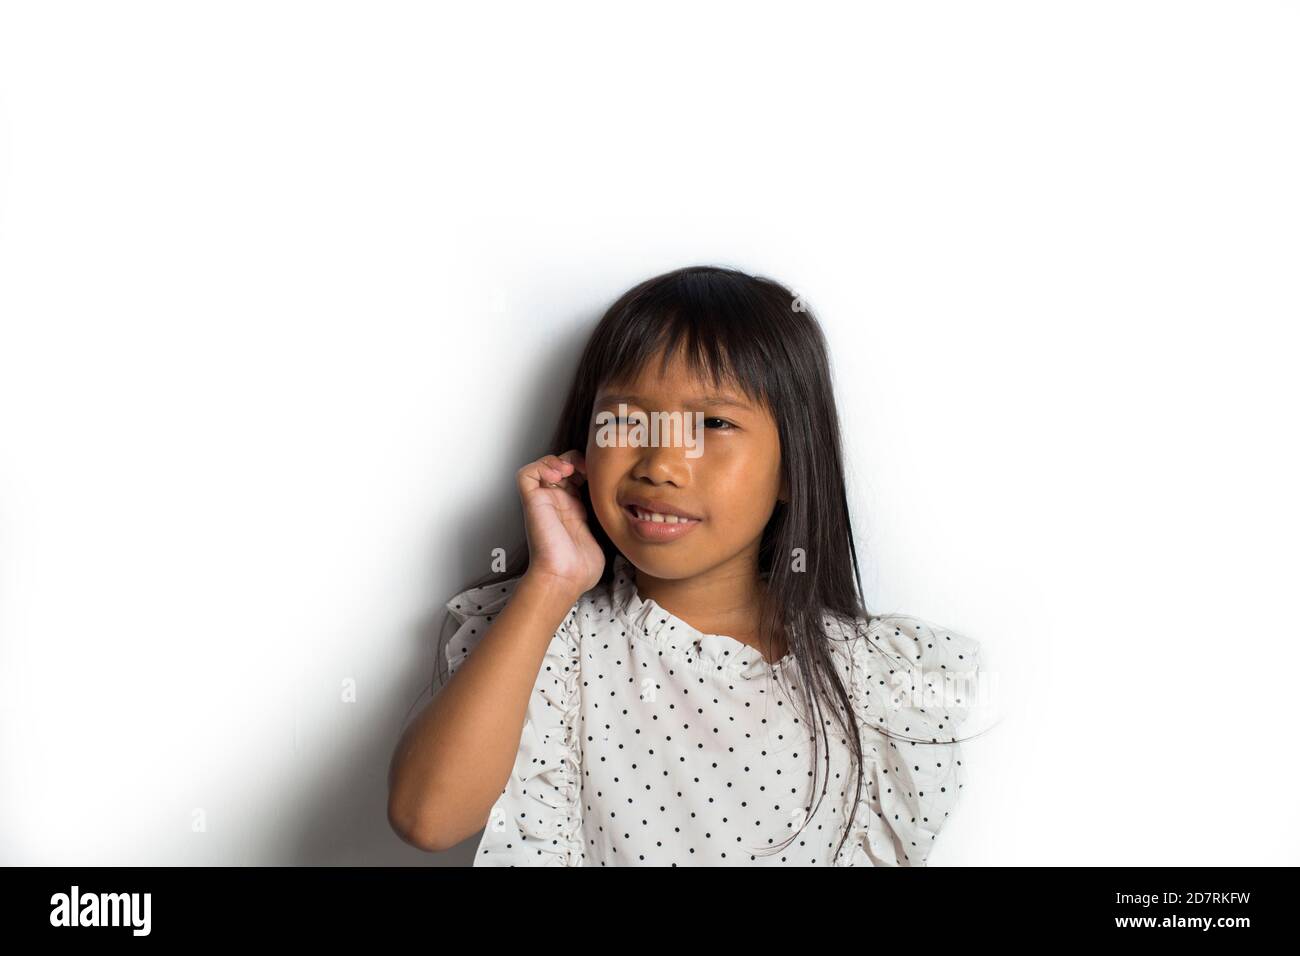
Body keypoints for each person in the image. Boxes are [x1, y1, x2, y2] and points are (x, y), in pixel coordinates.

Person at [388, 264, 984, 866]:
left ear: (793, 466)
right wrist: (553, 581)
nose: (661, 463)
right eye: (625, 419)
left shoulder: (877, 681)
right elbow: (426, 818)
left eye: (712, 423)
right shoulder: (553, 641)